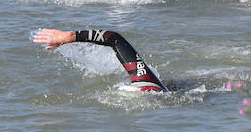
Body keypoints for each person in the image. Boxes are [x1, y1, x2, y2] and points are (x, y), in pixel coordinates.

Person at [32, 28, 166, 92]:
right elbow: (115, 39)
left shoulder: (148, 85)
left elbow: (114, 38)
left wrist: (71, 36)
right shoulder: (149, 86)